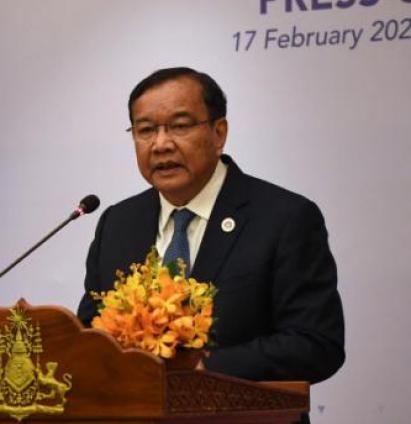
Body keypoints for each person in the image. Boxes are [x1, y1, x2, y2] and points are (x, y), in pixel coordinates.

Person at [77, 67, 345, 387]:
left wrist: (201, 367)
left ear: (219, 133)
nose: (161, 144)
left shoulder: (284, 218)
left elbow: (316, 343)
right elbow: (90, 334)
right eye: (145, 130)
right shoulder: (118, 223)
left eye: (179, 126)